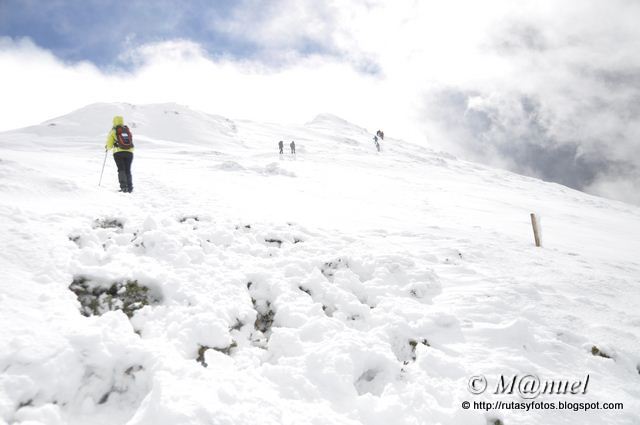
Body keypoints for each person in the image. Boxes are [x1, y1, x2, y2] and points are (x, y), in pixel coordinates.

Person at [105, 115, 134, 193]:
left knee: (121, 170)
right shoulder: (127, 130)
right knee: (128, 170)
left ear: (114, 121)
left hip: (118, 153)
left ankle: (124, 187)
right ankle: (130, 187)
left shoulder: (114, 131)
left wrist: (107, 148)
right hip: (130, 152)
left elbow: (109, 145)